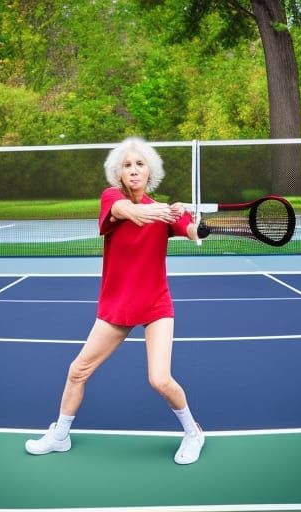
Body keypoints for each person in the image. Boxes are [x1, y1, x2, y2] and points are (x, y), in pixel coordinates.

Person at [25, 136, 206, 464]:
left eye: (139, 164)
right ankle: (60, 435)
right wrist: (154, 211)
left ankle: (194, 433)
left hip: (155, 306)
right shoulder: (112, 199)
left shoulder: (165, 213)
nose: (134, 170)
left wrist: (194, 224)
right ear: (118, 174)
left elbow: (192, 230)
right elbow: (128, 211)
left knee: (160, 379)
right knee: (78, 370)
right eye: (127, 165)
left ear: (150, 171)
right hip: (117, 308)